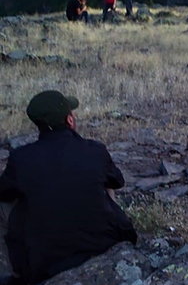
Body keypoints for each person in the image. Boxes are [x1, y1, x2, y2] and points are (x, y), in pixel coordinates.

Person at [0, 91, 137, 285]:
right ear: (70, 119)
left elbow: (3, 191)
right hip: (104, 245)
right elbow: (118, 181)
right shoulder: (95, 150)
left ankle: (16, 273)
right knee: (106, 183)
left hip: (43, 261)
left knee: (7, 202)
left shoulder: (21, 158)